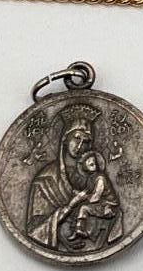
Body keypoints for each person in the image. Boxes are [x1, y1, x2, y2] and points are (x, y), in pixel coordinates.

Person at [25, 103, 122, 251]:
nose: (80, 145)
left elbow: (113, 210)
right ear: (65, 138)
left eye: (86, 141)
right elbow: (35, 228)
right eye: (76, 138)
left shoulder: (96, 175)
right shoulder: (46, 179)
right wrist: (60, 232)